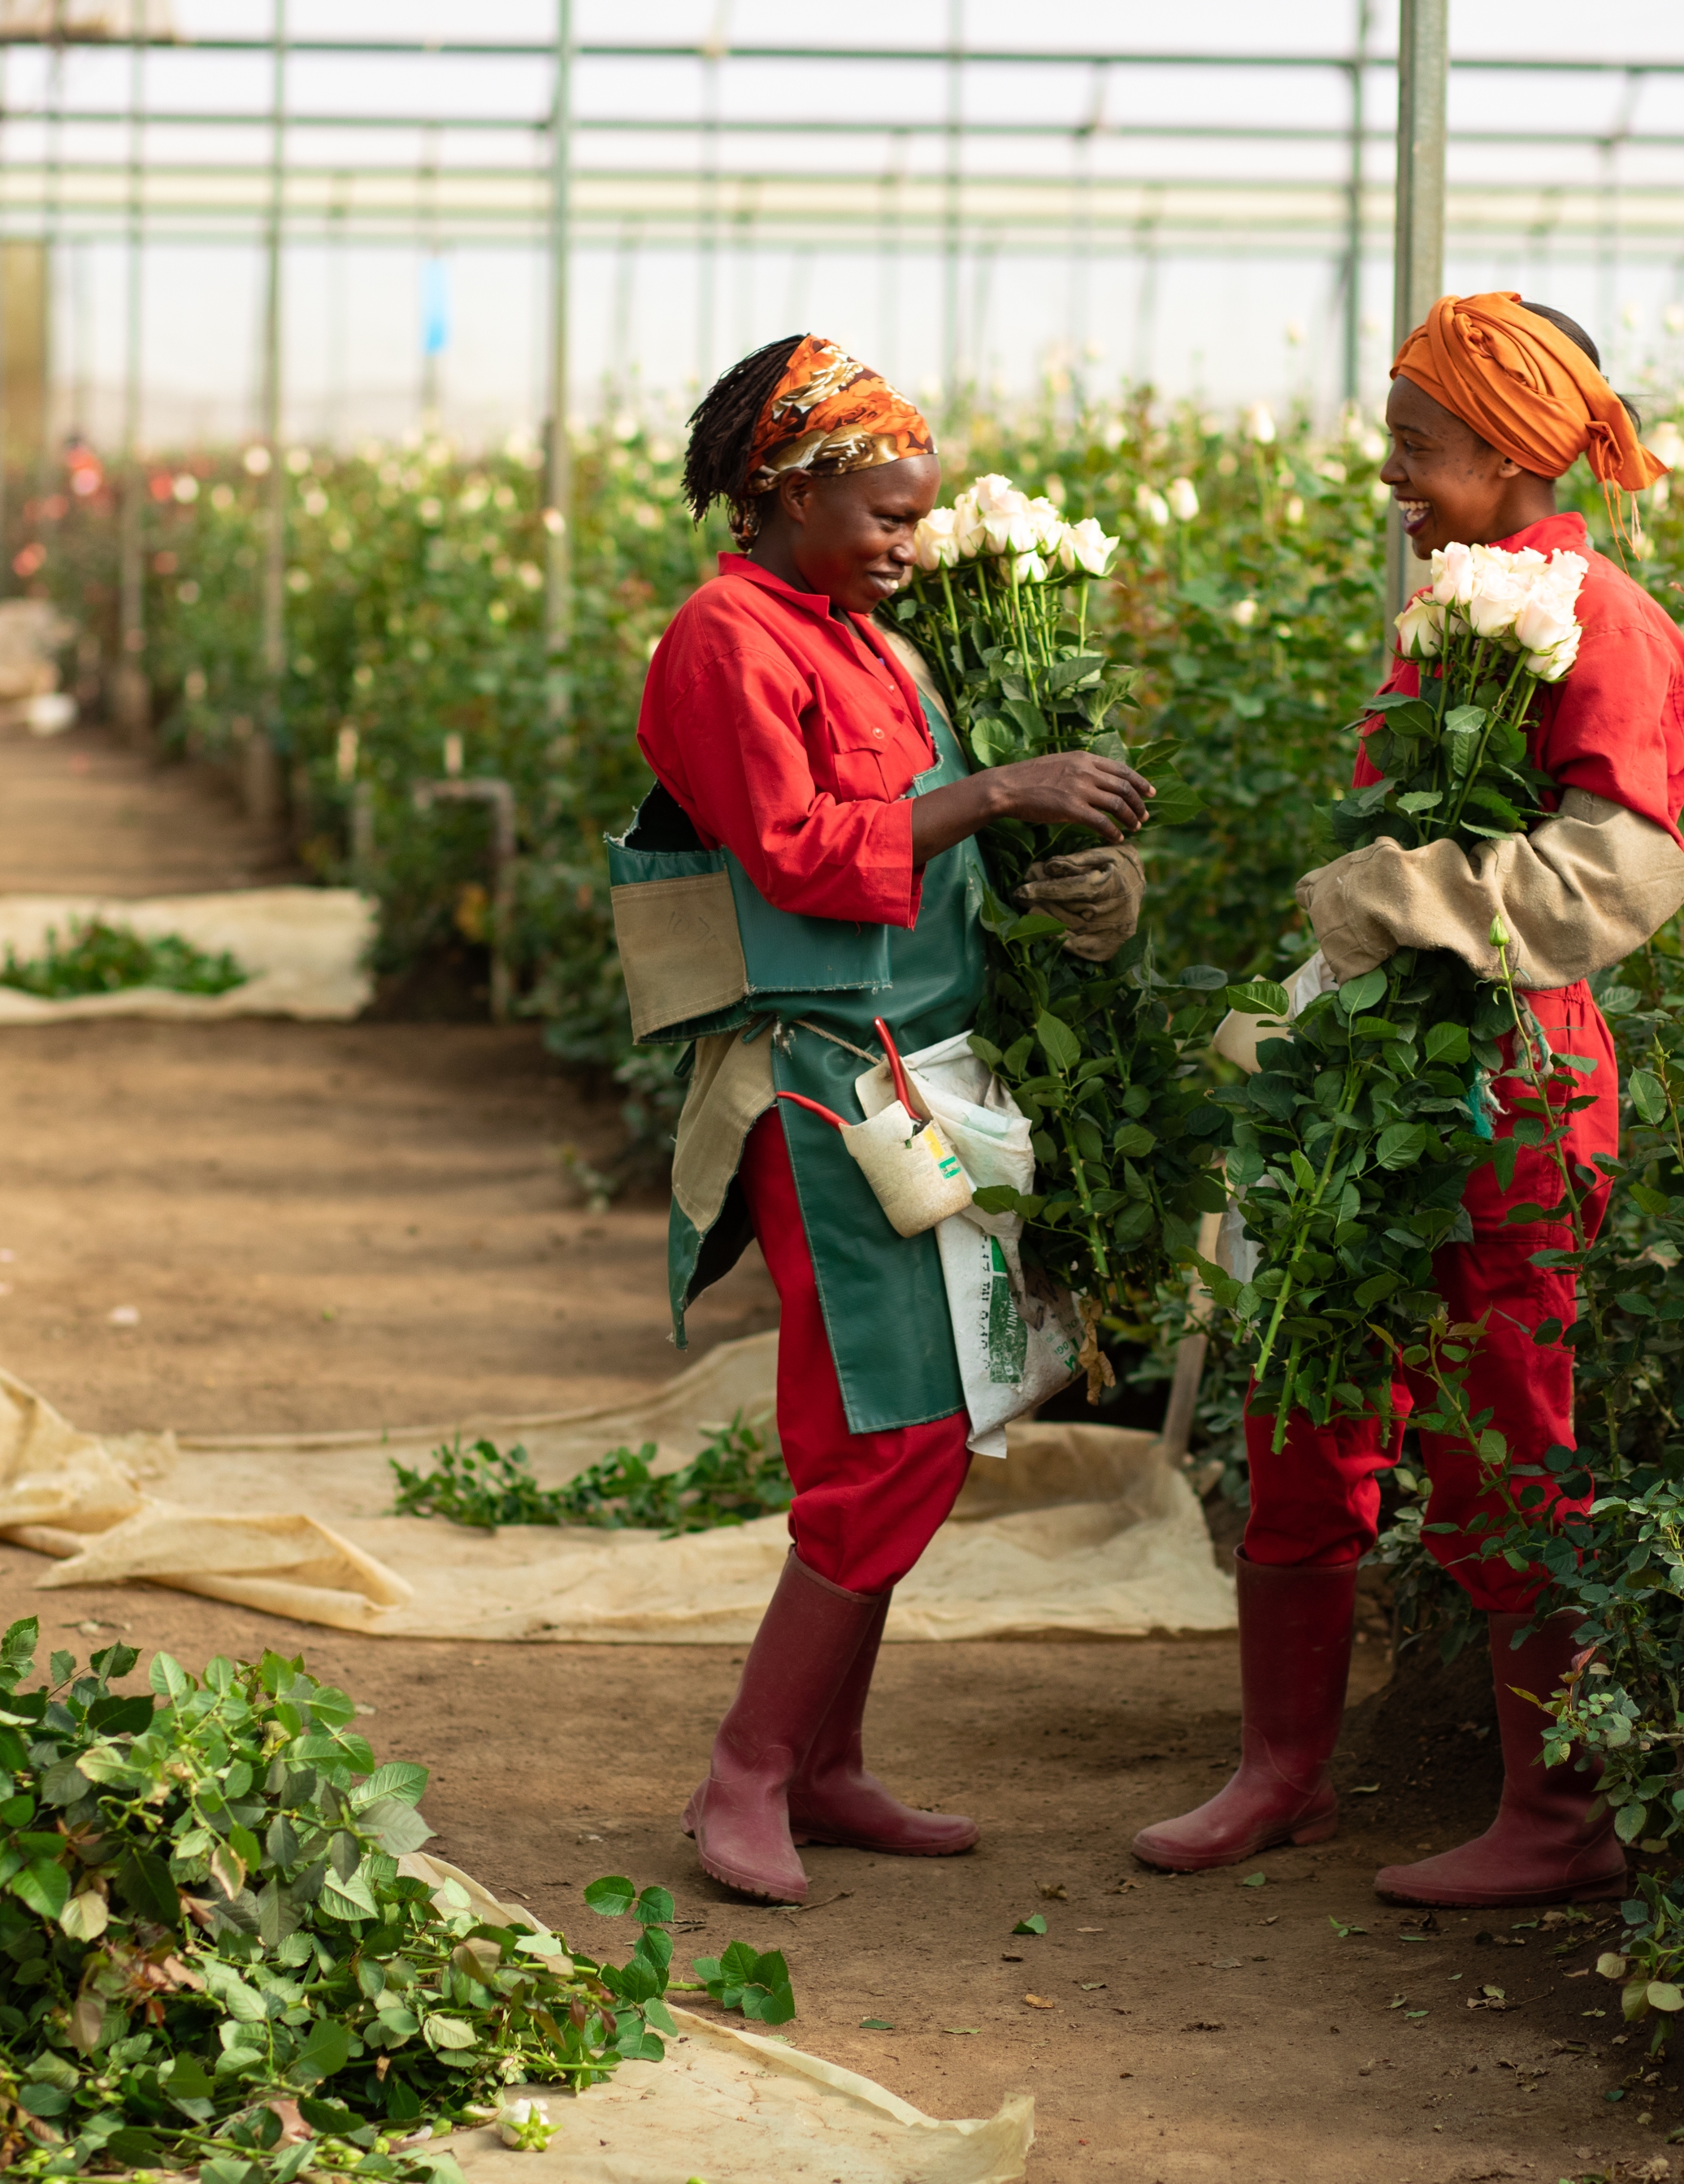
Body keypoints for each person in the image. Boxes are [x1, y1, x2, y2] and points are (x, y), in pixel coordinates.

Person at [1135, 293, 1684, 1907]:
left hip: (1508, 1084)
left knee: (1496, 1440)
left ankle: (1560, 1812)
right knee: (1304, 1401)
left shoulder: (1606, 619)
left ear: (1519, 442)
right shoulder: (1464, 603)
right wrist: (1305, 995)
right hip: (1378, 1081)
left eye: (1419, 445)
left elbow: (1624, 870)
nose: (1392, 475)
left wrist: (1405, 901)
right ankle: (1281, 1775)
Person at [618, 334, 1152, 1905]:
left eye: (920, 519)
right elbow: (795, 855)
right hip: (821, 1081)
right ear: (786, 494)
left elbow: (938, 857)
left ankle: (830, 1767)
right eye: (887, 520)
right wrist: (997, 795)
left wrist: (1079, 886)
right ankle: (749, 1775)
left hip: (926, 1071)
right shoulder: (725, 640)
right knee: (886, 1431)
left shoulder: (871, 639)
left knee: (923, 1419)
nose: (913, 546)